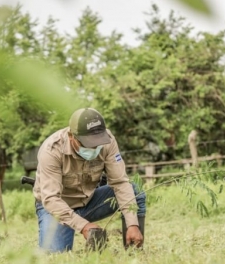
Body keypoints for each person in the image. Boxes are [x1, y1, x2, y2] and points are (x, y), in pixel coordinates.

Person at [33, 107, 146, 253]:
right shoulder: (52, 150)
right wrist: (83, 226)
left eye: (98, 142)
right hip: (56, 209)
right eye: (88, 143)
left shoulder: (108, 141)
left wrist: (133, 224)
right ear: (72, 136)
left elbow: (120, 183)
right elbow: (51, 199)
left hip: (89, 201)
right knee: (56, 256)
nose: (95, 147)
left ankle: (133, 250)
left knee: (135, 190)